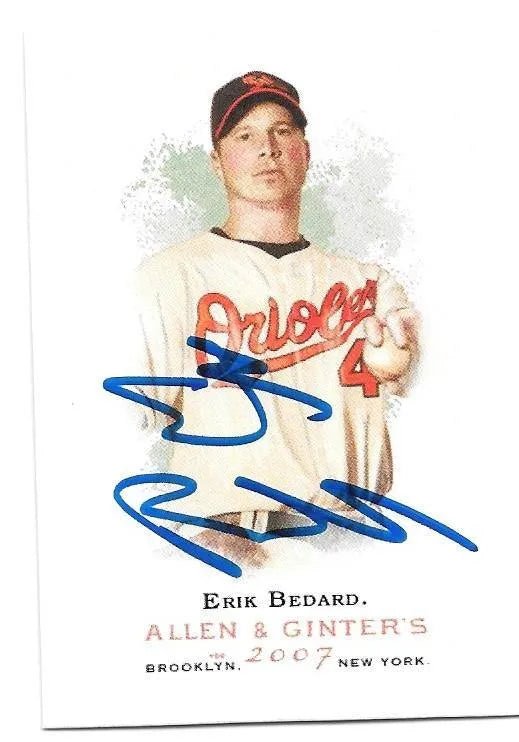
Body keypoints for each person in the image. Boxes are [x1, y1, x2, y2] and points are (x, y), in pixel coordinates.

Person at [135, 71, 420, 569]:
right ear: (217, 161)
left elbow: (446, 386)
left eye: (282, 130)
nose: (267, 148)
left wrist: (403, 370)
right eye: (244, 135)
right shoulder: (168, 276)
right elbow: (114, 423)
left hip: (355, 539)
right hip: (227, 539)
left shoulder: (371, 285)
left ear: (305, 151)